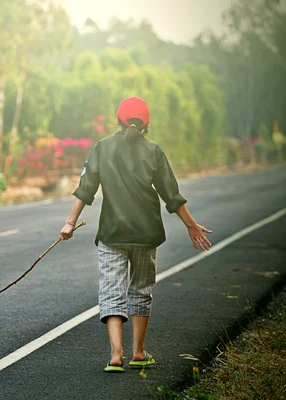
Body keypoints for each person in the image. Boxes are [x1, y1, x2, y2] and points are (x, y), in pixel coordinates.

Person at [59, 96, 212, 373]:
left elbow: (86, 189)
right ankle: (138, 352)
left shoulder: (102, 148)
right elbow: (172, 196)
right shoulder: (153, 151)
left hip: (112, 233)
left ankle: (116, 355)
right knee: (141, 290)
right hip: (146, 234)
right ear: (147, 124)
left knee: (111, 290)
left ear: (118, 120)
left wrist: (70, 223)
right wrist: (191, 225)